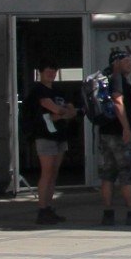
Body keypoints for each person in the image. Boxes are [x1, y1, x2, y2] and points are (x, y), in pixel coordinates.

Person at [91, 48, 131, 226]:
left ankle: (108, 214)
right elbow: (118, 102)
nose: (130, 63)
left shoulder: (105, 79)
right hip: (119, 135)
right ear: (116, 62)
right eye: (126, 60)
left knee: (108, 175)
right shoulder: (117, 78)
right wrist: (126, 128)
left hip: (105, 134)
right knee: (126, 174)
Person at [24, 57, 77, 225]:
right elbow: (53, 108)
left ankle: (48, 207)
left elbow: (71, 111)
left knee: (54, 173)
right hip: (44, 135)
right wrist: (60, 112)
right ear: (40, 72)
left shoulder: (59, 90)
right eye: (48, 71)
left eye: (54, 71)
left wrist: (61, 114)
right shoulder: (38, 90)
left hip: (60, 135)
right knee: (46, 173)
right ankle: (42, 209)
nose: (51, 74)